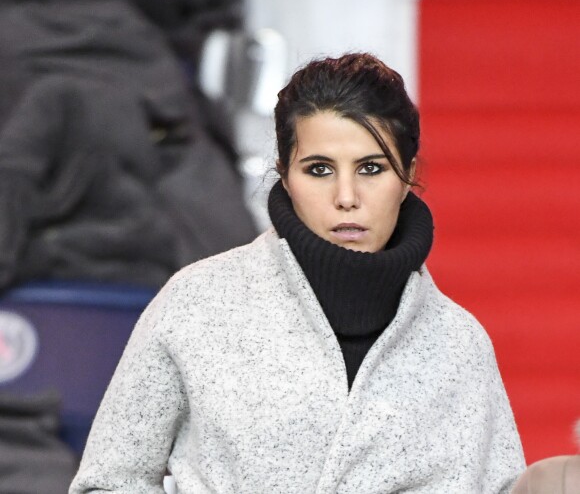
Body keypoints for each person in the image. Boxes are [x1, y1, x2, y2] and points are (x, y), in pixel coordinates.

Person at [69, 53, 525, 493]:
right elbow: (109, 482)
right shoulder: (197, 304)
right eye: (320, 169)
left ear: (406, 176)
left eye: (371, 168)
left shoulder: (459, 345)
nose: (346, 196)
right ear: (285, 176)